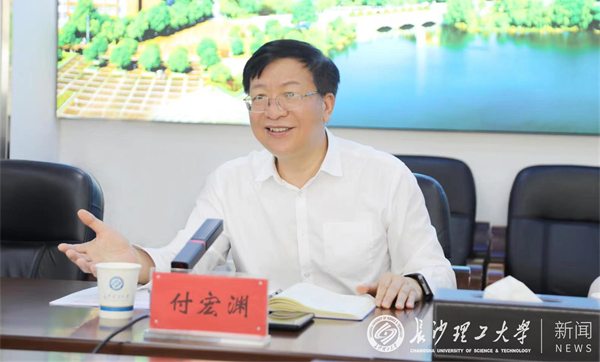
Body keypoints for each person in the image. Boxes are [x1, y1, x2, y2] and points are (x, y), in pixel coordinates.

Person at [59, 39, 456, 310]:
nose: (273, 111)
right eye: (260, 97)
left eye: (289, 95)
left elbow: (438, 272)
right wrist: (132, 260)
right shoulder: (229, 182)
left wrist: (411, 282)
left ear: (326, 105)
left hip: (357, 345)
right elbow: (184, 263)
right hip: (263, 344)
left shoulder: (384, 175)